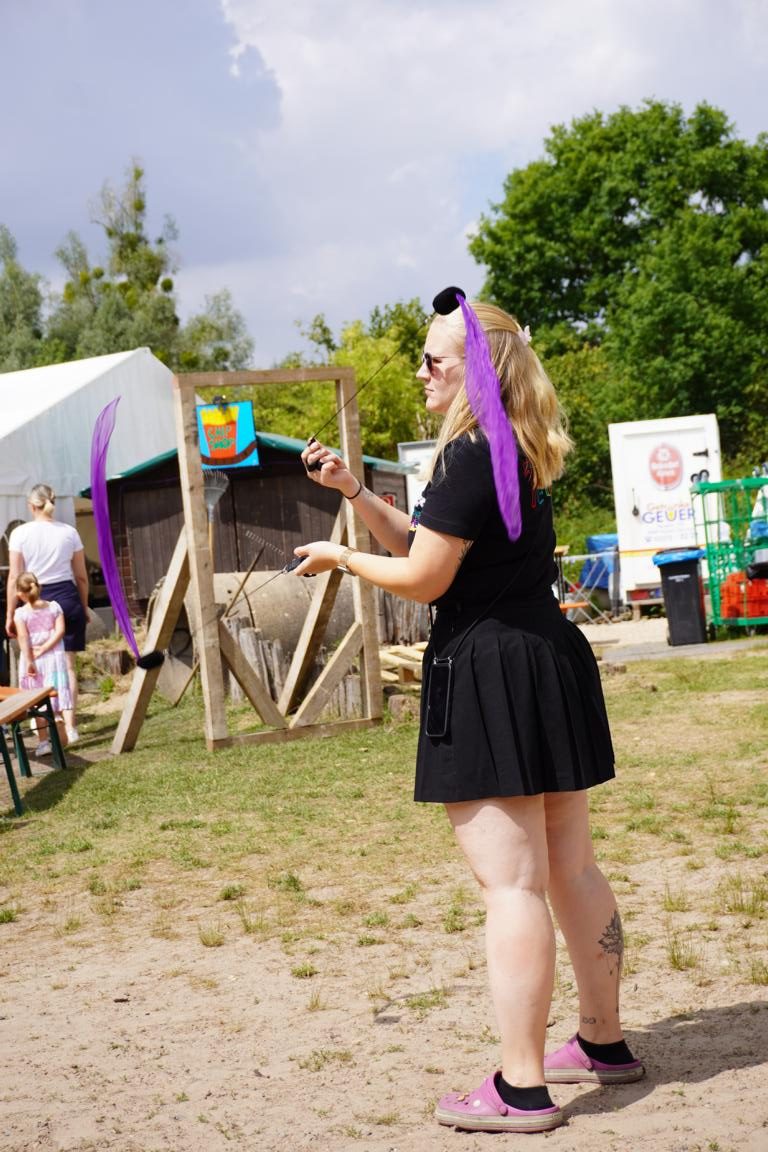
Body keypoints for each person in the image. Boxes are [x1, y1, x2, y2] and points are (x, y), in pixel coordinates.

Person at [295, 289, 643, 1135]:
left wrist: (340, 557)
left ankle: (521, 1088)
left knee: (512, 886)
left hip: (492, 672)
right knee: (571, 868)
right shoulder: (515, 444)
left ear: (475, 371)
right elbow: (427, 544)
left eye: (433, 361)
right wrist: (352, 491)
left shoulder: (469, 454)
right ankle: (602, 1042)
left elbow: (423, 579)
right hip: (543, 658)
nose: (420, 372)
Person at [5, 484, 88, 745]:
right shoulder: (69, 532)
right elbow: (81, 576)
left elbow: (14, 577)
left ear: (31, 506)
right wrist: (83, 606)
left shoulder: (20, 533)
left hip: (32, 598)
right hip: (67, 596)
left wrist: (10, 613)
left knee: (36, 669)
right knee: (67, 666)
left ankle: (46, 729)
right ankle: (71, 727)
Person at [13, 571, 72, 755]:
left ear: (20, 594)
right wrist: (46, 647)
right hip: (54, 658)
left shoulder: (21, 613)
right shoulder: (54, 607)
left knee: (37, 700)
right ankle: (60, 723)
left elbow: (23, 637)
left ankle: (43, 742)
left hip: (34, 659)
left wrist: (30, 660)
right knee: (54, 694)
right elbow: (60, 631)